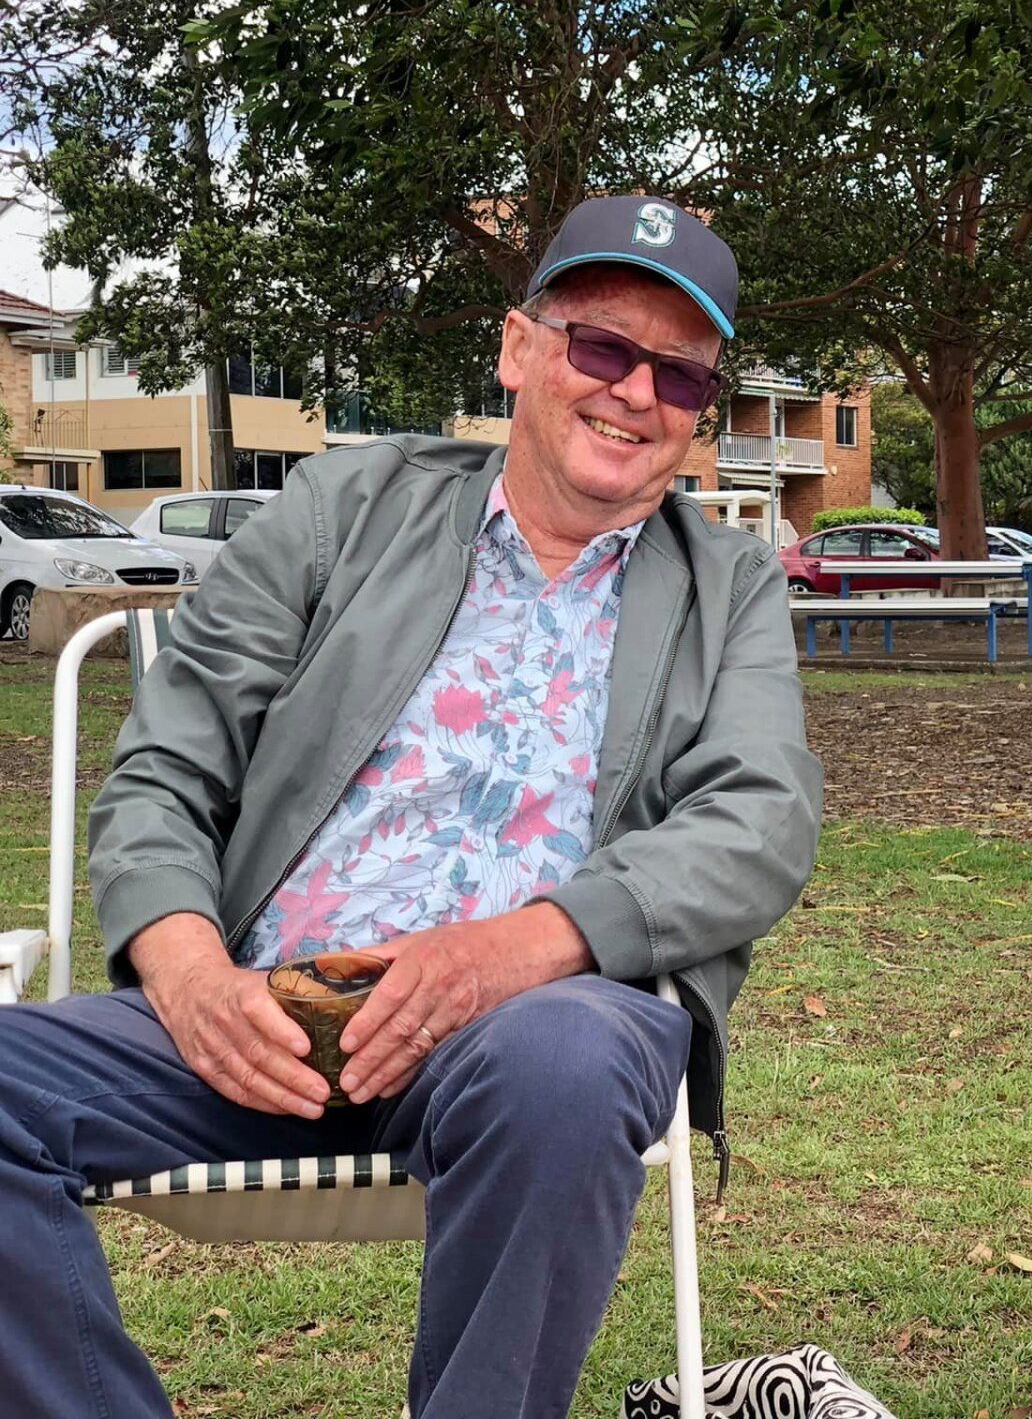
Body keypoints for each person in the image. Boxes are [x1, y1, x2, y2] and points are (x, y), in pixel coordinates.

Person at [0, 196, 823, 1418]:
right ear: (517, 350)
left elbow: (759, 818)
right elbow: (167, 765)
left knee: (573, 1055)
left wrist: (507, 955)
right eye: (601, 347)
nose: (635, 394)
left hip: (525, 1033)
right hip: (261, 1021)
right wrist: (188, 974)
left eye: (682, 377)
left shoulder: (730, 582)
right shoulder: (347, 507)